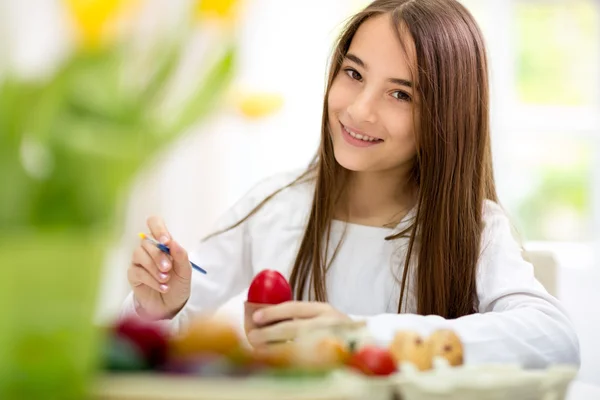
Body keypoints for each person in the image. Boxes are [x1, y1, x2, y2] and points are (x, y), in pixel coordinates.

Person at [121, 0, 580, 367]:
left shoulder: (475, 228)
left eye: (400, 93)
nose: (360, 109)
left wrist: (357, 335)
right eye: (354, 73)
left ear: (448, 117)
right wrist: (160, 308)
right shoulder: (273, 206)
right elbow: (139, 343)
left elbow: (554, 339)